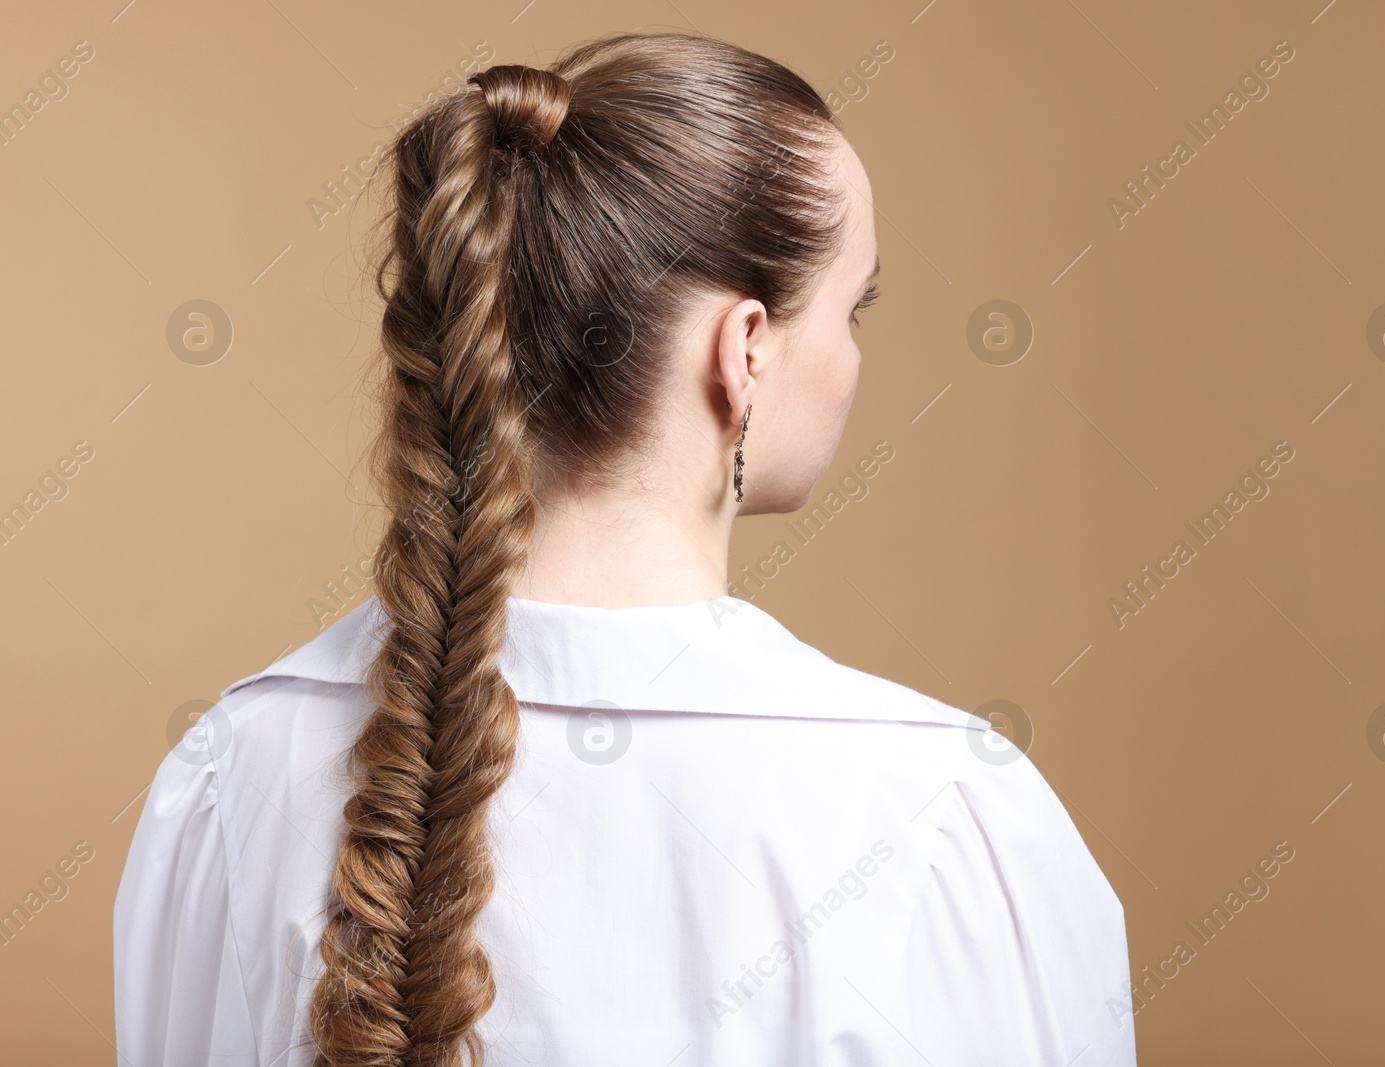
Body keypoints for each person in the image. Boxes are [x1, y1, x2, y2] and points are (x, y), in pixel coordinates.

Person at [114, 30, 1137, 1067]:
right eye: (852, 305)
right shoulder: (940, 816)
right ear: (744, 350)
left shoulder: (224, 774)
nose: (855, 352)